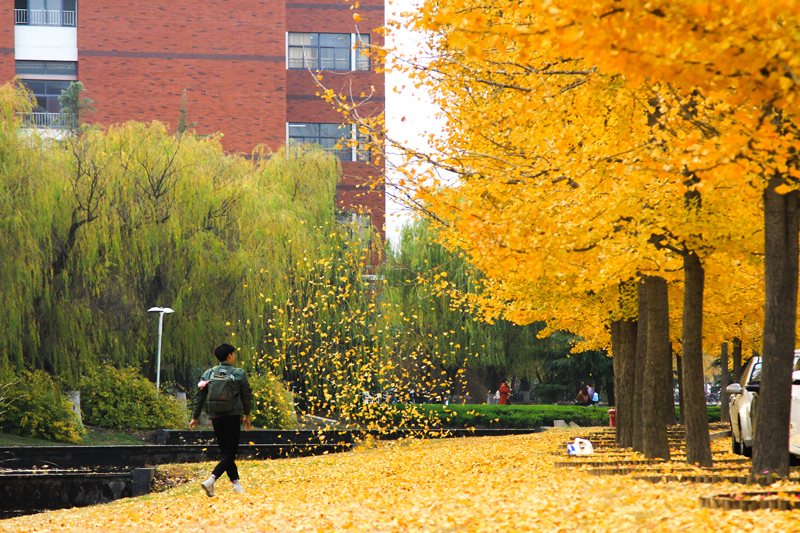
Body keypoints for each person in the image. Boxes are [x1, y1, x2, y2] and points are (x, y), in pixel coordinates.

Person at [190, 343, 253, 497]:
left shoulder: (209, 373)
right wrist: (247, 415)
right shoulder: (238, 374)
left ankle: (237, 485)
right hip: (232, 416)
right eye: (233, 354)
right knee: (230, 454)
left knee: (226, 452)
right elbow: (246, 396)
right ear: (230, 356)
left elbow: (200, 396)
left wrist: (195, 416)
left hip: (216, 417)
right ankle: (211, 480)